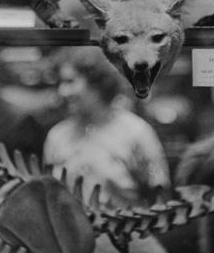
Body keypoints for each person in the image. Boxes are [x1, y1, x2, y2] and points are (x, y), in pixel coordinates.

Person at [43, 48, 171, 208]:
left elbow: (159, 195)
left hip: (123, 230)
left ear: (98, 82)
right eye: (60, 83)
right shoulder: (57, 136)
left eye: (70, 82)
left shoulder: (136, 132)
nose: (62, 91)